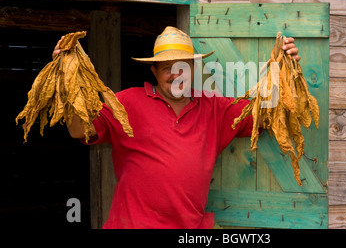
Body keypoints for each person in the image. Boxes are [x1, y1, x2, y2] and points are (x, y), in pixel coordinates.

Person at [53, 26, 300, 229]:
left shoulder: (214, 109)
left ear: (192, 68)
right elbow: (79, 130)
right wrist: (67, 78)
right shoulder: (127, 102)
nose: (175, 74)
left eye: (182, 66)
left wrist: (282, 66)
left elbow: (268, 116)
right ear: (154, 72)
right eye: (166, 67)